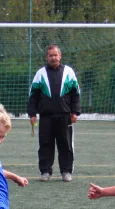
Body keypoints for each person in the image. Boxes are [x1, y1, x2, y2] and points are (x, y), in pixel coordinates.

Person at [28, 44, 81, 183]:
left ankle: (66, 171)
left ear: (60, 56)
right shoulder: (40, 74)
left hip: (65, 116)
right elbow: (33, 95)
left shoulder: (69, 72)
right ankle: (45, 171)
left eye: (55, 55)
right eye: (50, 55)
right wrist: (32, 114)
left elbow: (76, 93)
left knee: (66, 144)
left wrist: (75, 112)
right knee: (45, 144)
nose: (53, 57)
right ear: (47, 57)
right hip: (46, 117)